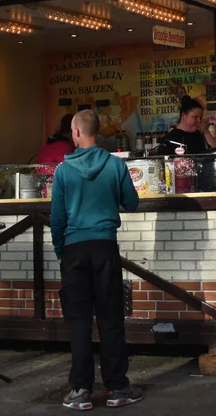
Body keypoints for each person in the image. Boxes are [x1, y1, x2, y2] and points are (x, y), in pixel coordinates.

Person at [51, 109, 143, 409]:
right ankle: (118, 388)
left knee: (79, 321)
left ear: (77, 131)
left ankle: (81, 390)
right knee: (111, 318)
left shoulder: (63, 171)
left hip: (74, 250)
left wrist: (60, 252)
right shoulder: (115, 165)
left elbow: (57, 219)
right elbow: (132, 203)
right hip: (105, 247)